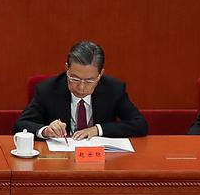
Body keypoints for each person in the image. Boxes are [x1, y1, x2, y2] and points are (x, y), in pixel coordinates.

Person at [16, 41, 148, 139]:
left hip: (100, 160)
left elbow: (140, 124)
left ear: (100, 74)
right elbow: (20, 125)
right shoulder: (48, 89)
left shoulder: (113, 89)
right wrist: (45, 130)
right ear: (67, 69)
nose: (81, 87)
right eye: (75, 78)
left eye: (90, 81)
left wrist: (97, 130)